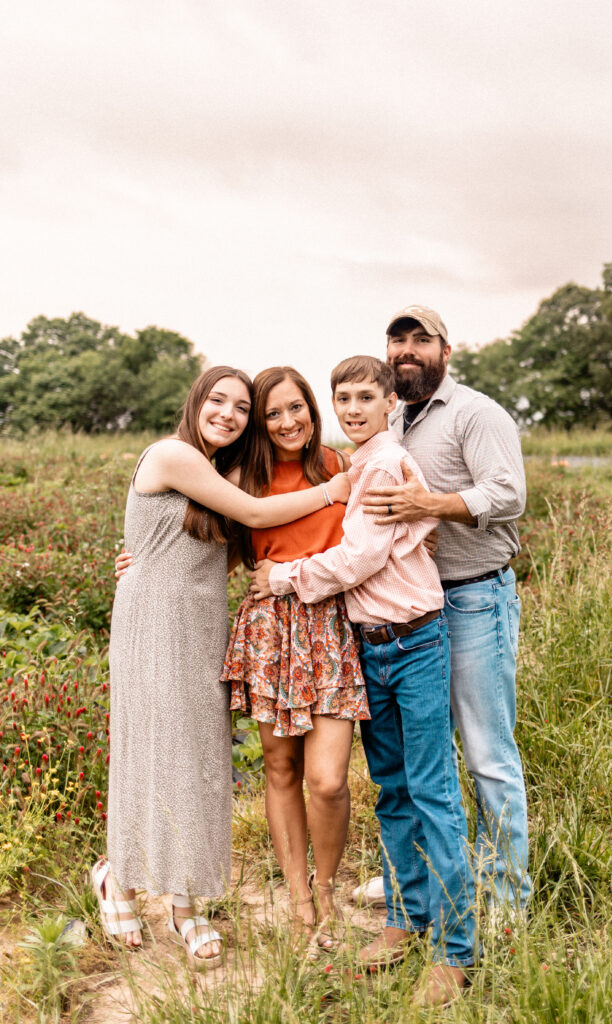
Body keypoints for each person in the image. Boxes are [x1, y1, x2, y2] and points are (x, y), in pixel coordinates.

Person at [96, 365, 350, 969]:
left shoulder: (224, 471)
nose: (229, 414)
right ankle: (118, 877)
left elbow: (248, 531)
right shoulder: (173, 454)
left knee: (202, 758)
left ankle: (189, 901)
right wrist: (332, 492)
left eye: (242, 407)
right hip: (155, 620)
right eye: (219, 400)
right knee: (151, 748)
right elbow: (258, 516)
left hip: (202, 624)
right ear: (196, 401)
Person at [250, 356, 477, 1007]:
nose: (351, 408)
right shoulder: (353, 465)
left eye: (363, 398)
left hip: (412, 642)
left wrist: (285, 578)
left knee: (431, 791)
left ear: (387, 403)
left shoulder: (378, 465)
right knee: (392, 790)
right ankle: (404, 921)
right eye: (341, 398)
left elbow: (360, 557)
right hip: (367, 650)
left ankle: (454, 950)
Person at [361, 305, 532, 918]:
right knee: (419, 761)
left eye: (420, 339)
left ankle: (506, 899)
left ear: (445, 349)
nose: (406, 349)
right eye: (396, 340)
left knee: (486, 752)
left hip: (474, 595)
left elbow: (509, 493)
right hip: (417, 609)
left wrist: (430, 503)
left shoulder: (475, 413)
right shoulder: (392, 420)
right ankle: (425, 884)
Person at [221, 366, 369, 951]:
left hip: (329, 626)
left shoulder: (341, 466)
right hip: (268, 631)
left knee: (328, 780)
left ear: (313, 407)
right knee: (280, 770)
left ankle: (327, 888)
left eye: (296, 408)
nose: (288, 423)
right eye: (272, 414)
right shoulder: (241, 476)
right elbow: (190, 535)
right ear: (260, 423)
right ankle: (300, 903)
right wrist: (134, 563)